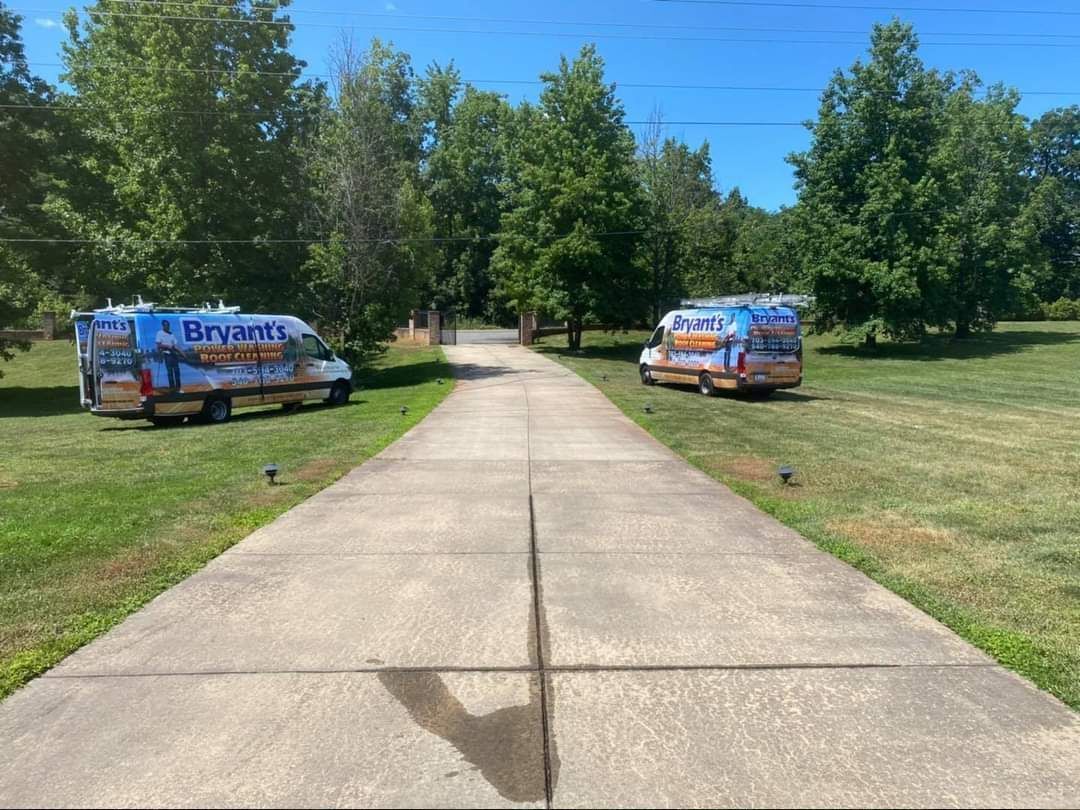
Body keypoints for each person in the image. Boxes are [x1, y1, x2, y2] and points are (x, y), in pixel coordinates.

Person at [155, 320, 183, 392]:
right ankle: (172, 388)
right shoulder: (160, 333)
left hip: (174, 354)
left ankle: (178, 388)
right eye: (166, 325)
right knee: (170, 372)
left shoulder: (171, 334)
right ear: (163, 326)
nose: (167, 326)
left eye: (168, 325)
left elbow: (175, 345)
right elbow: (158, 345)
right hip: (167, 355)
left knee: (177, 371)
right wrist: (167, 346)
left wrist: (182, 353)